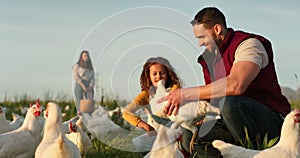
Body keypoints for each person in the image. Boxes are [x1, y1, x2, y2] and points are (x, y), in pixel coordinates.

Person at [160, 7, 291, 157]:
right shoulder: (208, 59)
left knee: (230, 103)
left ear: (217, 29)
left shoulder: (248, 44)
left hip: (269, 121)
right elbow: (214, 100)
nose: (200, 44)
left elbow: (236, 85)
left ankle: (256, 153)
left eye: (202, 37)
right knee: (192, 137)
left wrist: (186, 94)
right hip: (232, 121)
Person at [122, 57, 181, 133]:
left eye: (162, 73)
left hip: (175, 130)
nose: (158, 77)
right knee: (139, 142)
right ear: (148, 76)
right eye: (154, 74)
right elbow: (127, 113)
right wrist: (146, 126)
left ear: (168, 74)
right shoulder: (146, 95)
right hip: (155, 133)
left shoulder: (174, 89)